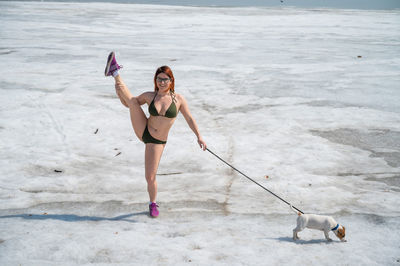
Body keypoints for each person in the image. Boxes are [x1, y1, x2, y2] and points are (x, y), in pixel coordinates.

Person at [104, 52, 207, 218]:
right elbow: (129, 104)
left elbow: (189, 118)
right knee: (132, 100)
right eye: (159, 79)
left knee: (150, 177)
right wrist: (119, 94)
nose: (161, 82)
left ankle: (153, 203)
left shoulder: (178, 99)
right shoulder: (149, 96)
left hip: (157, 142)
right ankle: (115, 72)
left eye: (165, 79)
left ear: (171, 80)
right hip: (144, 129)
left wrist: (199, 136)